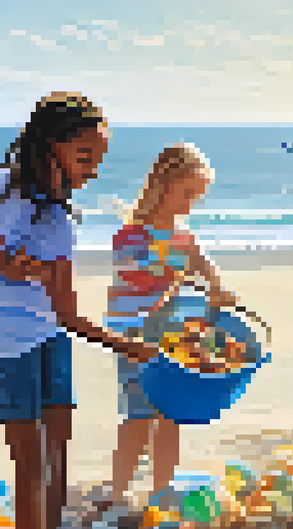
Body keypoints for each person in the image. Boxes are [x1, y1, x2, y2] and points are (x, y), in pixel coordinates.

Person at [0, 92, 157, 529]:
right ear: (51, 149)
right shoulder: (5, 189)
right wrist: (128, 345)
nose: (92, 171)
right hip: (5, 344)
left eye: (99, 160)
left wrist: (10, 267)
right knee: (32, 466)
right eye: (85, 157)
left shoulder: (59, 216)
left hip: (49, 337)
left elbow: (59, 313)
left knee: (58, 455)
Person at [105, 143, 242, 505]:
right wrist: (177, 282)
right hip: (134, 337)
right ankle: (118, 493)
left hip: (170, 336)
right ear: (162, 187)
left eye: (197, 196)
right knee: (138, 415)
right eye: (186, 193)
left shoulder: (183, 235)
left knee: (170, 413)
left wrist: (217, 287)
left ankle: (160, 491)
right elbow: (141, 279)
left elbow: (204, 266)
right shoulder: (133, 233)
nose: (190, 204)